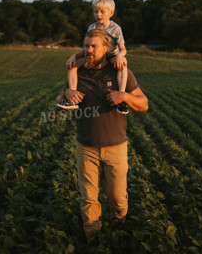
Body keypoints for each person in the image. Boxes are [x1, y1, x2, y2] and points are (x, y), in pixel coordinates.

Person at [61, 28, 148, 241]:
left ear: (106, 48)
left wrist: (124, 96)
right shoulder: (78, 72)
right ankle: (94, 240)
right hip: (86, 147)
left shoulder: (120, 71)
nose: (89, 50)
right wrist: (66, 93)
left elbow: (143, 104)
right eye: (86, 45)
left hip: (116, 146)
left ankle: (120, 232)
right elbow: (61, 97)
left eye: (94, 46)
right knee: (88, 198)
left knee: (118, 198)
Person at [56, 0, 129, 114]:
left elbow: (123, 49)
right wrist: (74, 56)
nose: (98, 14)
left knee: (123, 65)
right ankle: (72, 99)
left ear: (111, 13)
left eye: (102, 11)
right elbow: (87, 47)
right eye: (96, 11)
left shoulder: (115, 28)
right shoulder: (92, 27)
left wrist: (120, 56)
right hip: (93, 56)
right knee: (73, 65)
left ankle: (121, 98)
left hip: (111, 56)